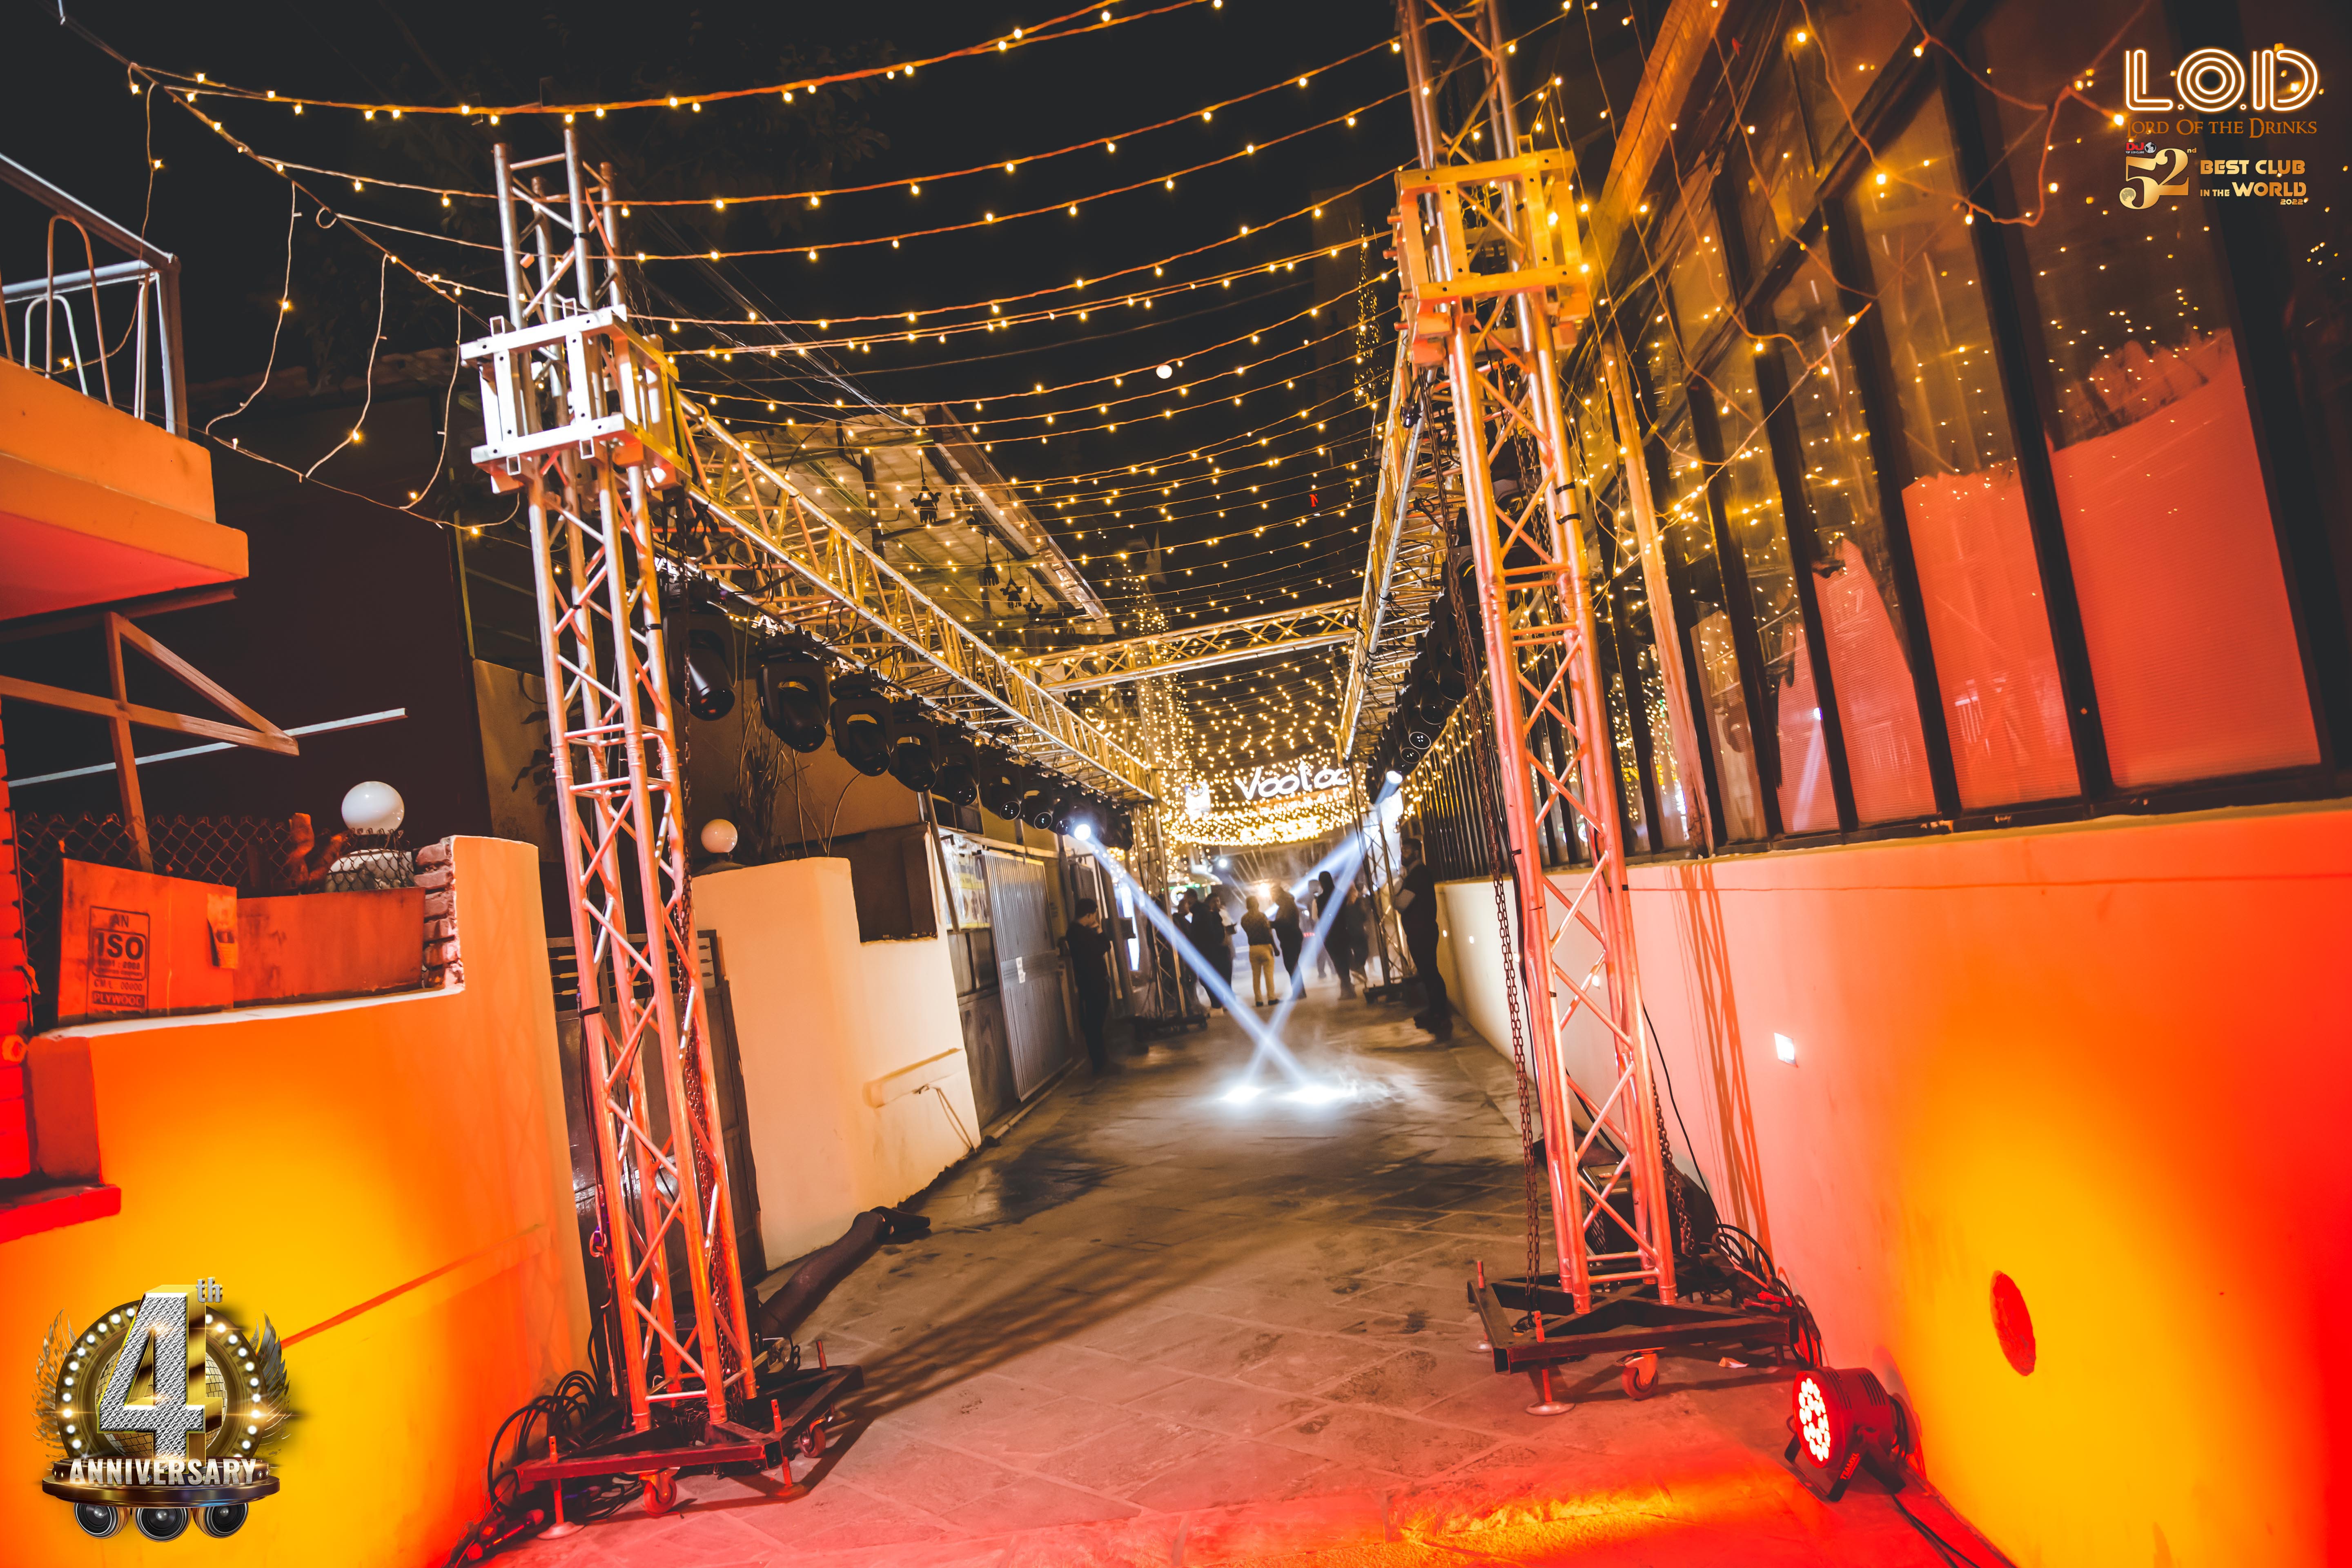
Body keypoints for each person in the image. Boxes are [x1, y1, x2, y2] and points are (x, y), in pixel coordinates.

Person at [1394, 837, 1450, 1038]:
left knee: (1430, 974)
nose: (1403, 854)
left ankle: (1439, 1015)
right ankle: (1437, 1012)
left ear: (1417, 853)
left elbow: (1401, 904)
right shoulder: (1417, 875)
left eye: (1407, 851)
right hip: (1422, 931)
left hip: (1422, 932)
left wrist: (1397, 895)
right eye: (1402, 850)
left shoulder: (1417, 876)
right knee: (1429, 974)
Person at [1065, 896, 1115, 1072]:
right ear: (1089, 915)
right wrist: (1099, 930)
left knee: (1095, 1024)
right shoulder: (1080, 933)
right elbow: (1104, 947)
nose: (1095, 918)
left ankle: (1101, 1063)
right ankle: (1100, 1064)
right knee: (1096, 1024)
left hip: (1090, 983)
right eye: (1094, 915)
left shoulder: (1075, 932)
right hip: (1094, 984)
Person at [1322, 869, 1367, 999]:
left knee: (1340, 964)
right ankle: (1351, 982)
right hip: (1345, 933)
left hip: (1333, 935)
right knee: (1346, 959)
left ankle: (1348, 989)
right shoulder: (1342, 897)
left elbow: (1320, 917)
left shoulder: (1322, 899)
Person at [1240, 895, 1278, 1007]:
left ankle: (1259, 1000)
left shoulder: (1244, 919)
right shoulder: (1262, 916)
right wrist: (1275, 947)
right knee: (1269, 975)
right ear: (1257, 904)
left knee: (1256, 976)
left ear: (1247, 906)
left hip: (1253, 949)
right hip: (1265, 947)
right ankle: (1271, 998)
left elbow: (1247, 930)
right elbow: (1269, 933)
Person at [1272, 884, 1304, 996]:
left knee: (1292, 965)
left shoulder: (1287, 905)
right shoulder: (1285, 905)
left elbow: (1286, 922)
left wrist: (1272, 924)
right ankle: (1299, 992)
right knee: (1292, 966)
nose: (1272, 898)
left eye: (1273, 895)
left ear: (1278, 894)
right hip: (1289, 939)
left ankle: (1299, 992)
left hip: (1291, 939)